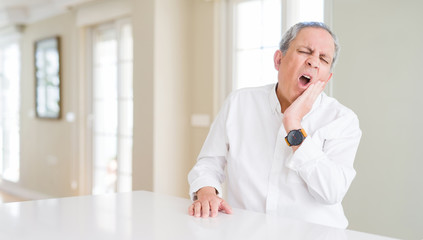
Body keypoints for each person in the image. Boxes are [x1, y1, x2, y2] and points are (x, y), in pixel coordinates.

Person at [187, 22, 361, 229]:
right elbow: (209, 163)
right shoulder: (239, 103)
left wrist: (293, 126)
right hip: (244, 231)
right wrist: (207, 192)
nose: (314, 62)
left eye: (323, 59)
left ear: (327, 78)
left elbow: (331, 191)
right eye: (305, 51)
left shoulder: (342, 120)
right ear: (279, 60)